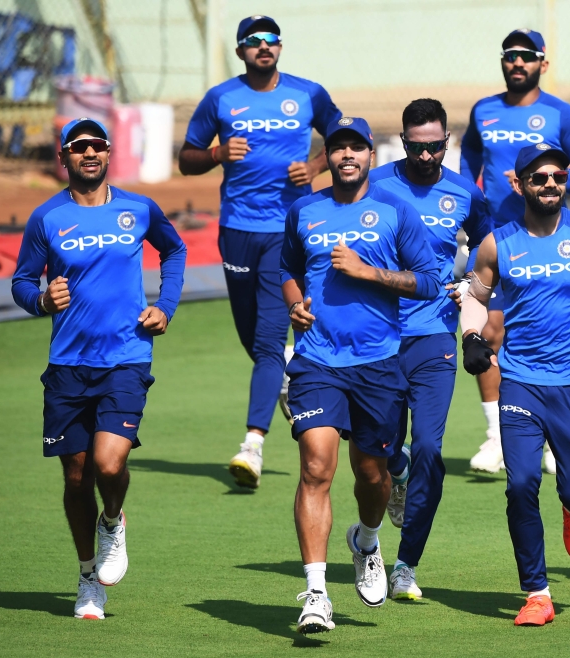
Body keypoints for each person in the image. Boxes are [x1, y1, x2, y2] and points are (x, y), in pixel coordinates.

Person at [11, 118, 186, 619]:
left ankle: (113, 519)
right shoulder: (47, 218)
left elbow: (174, 249)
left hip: (126, 359)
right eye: (79, 147)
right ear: (64, 158)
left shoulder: (138, 208)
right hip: (67, 365)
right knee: (75, 477)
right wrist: (42, 299)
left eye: (97, 146)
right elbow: (21, 282)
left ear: (109, 154)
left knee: (109, 464)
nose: (90, 153)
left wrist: (166, 305)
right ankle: (89, 578)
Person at [460, 143, 570, 626]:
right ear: (518, 184)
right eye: (538, 178)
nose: (550, 185)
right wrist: (472, 335)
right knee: (520, 484)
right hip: (519, 382)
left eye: (557, 176)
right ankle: (537, 592)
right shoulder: (499, 242)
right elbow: (475, 296)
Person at [279, 117, 441, 633]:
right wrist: (294, 305)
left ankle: (367, 540)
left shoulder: (396, 211)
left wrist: (369, 272)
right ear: (326, 156)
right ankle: (316, 593)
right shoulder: (304, 210)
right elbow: (287, 269)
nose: (346, 155)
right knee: (316, 467)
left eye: (356, 147)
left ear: (371, 154)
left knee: (373, 475)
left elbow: (431, 282)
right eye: (337, 148)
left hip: (378, 364)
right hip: (317, 360)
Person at [179, 14, 341, 489]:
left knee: (270, 340)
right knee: (252, 337)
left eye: (270, 40)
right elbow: (186, 158)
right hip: (235, 231)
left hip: (286, 229)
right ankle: (287, 381)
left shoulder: (307, 93)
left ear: (281, 47)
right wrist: (214, 155)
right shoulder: (221, 98)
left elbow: (347, 134)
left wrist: (314, 166)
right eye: (253, 41)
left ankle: (252, 443)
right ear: (240, 52)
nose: (263, 47)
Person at [460, 28, 570, 474]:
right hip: (496, 240)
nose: (517, 63)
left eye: (526, 56)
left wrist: (541, 183)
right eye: (510, 56)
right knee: (489, 332)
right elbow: (467, 165)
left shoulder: (561, 112)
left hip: (545, 242)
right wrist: (469, 208)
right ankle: (498, 434)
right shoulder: (483, 110)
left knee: (535, 333)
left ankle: (546, 437)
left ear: (543, 62)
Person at [369, 99, 492, 600]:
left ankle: (405, 565)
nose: (424, 155)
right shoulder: (374, 186)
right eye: (415, 146)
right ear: (403, 142)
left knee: (431, 449)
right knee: (376, 450)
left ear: (447, 143)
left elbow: (489, 253)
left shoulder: (465, 192)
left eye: (434, 147)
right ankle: (394, 472)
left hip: (434, 335)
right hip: (376, 336)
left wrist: (473, 288)